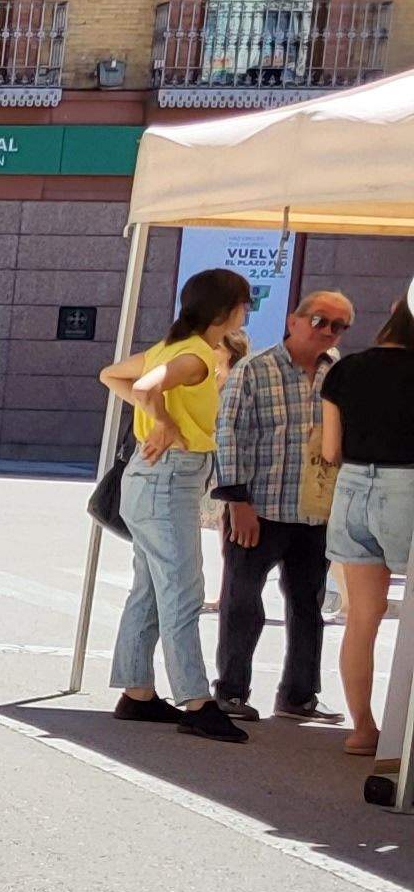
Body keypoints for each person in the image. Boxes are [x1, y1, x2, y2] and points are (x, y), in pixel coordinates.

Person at [101, 267, 256, 742]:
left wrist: (157, 418)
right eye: (244, 303)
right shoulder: (197, 356)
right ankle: (196, 700)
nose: (247, 311)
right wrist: (164, 422)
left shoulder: (172, 347)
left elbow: (111, 374)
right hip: (169, 479)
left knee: (150, 588)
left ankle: (138, 693)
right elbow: (145, 387)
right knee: (182, 591)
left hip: (152, 480)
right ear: (226, 311)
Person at [211, 290, 354, 724]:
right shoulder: (255, 370)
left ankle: (299, 695)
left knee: (309, 603)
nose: (328, 332)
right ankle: (231, 691)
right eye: (320, 321)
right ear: (294, 320)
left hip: (315, 514)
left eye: (339, 326)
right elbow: (228, 433)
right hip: (260, 507)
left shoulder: (339, 375)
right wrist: (237, 501)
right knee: (242, 601)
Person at [321, 292, 414, 760]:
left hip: (353, 485)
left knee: (362, 618)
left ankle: (363, 728)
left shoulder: (345, 369)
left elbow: (330, 449)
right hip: (408, 487)